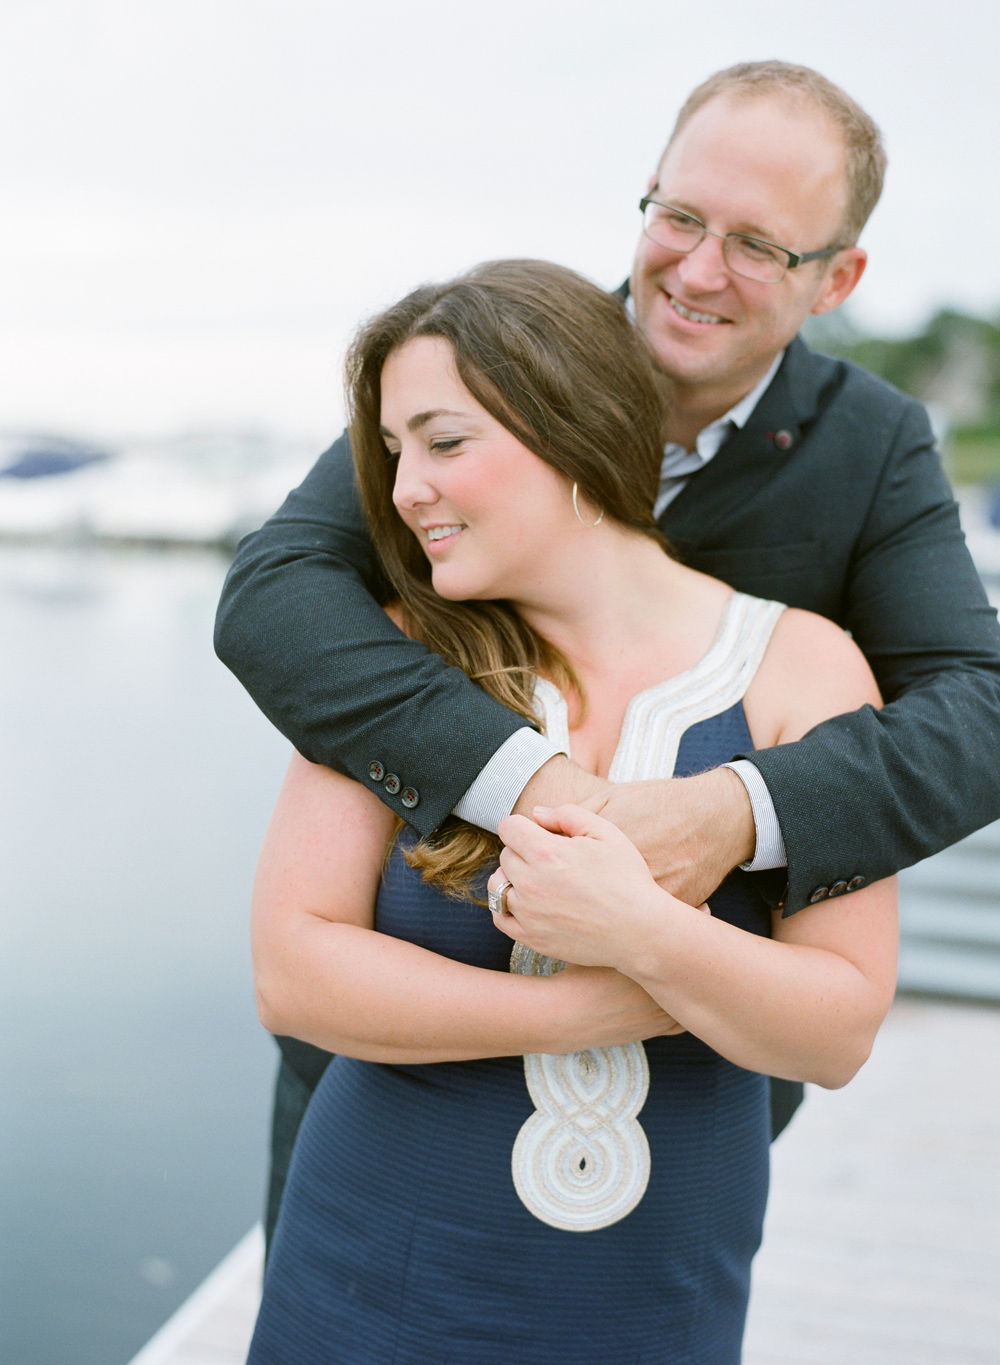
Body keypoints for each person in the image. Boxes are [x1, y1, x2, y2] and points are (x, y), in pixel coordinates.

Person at [215, 61, 1000, 1243]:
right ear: (644, 199)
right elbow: (276, 595)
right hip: (382, 1074)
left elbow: (980, 712)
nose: (693, 270)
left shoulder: (872, 445)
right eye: (679, 217)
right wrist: (543, 788)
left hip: (685, 1105)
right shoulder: (490, 364)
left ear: (836, 277)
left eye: (757, 245)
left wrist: (727, 814)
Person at [246, 259, 898, 1364]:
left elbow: (835, 1029)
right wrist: (605, 1006)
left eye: (443, 443)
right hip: (363, 1281)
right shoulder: (395, 656)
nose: (403, 490)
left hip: (655, 1299)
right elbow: (293, 971)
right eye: (396, 451)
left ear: (573, 428)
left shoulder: (805, 668)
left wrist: (637, 930)